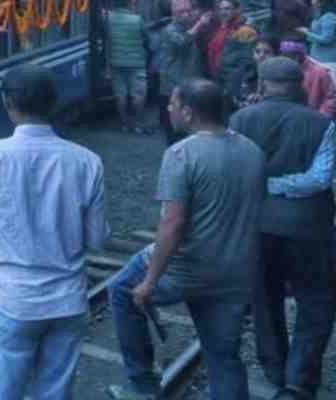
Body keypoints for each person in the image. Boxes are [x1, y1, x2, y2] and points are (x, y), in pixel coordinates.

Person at [107, 79, 263, 400]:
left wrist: (149, 282)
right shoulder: (253, 151)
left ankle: (142, 387)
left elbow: (173, 225)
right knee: (223, 354)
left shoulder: (181, 154)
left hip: (187, 269)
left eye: (173, 104)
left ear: (189, 112)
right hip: (236, 271)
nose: (168, 109)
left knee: (122, 291)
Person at [0, 64, 107, 400]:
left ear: (7, 102)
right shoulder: (88, 161)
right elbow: (97, 240)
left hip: (12, 300)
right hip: (68, 302)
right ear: (53, 103)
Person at [229, 57, 336, 400]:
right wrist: (281, 185)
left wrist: (264, 186)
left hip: (257, 228)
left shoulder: (240, 120)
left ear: (263, 85)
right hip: (308, 230)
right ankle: (298, 380)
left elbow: (234, 175)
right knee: (317, 301)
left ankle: (276, 370)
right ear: (300, 85)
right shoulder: (321, 124)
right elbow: (320, 179)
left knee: (265, 300)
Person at [158, 0, 203, 145]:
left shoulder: (188, 26)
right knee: (173, 127)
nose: (186, 14)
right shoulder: (169, 30)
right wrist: (199, 24)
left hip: (188, 83)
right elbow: (182, 42)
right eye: (181, 11)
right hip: (173, 85)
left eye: (188, 11)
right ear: (174, 14)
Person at [105, 0, 149, 134]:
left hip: (116, 62)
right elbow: (146, 38)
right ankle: (137, 124)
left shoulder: (108, 19)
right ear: (129, 3)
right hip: (137, 63)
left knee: (120, 95)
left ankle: (124, 124)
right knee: (138, 94)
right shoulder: (137, 20)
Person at [212, 0, 258, 115]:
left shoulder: (244, 30)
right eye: (221, 9)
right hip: (220, 79)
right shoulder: (221, 26)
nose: (223, 12)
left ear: (237, 10)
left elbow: (247, 61)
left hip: (233, 83)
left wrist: (233, 82)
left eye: (227, 9)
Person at [278, 40, 336, 119]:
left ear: (300, 55)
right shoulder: (280, 70)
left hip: (314, 118)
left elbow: (331, 98)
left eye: (291, 56)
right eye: (285, 56)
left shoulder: (319, 72)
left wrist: (320, 116)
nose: (287, 60)